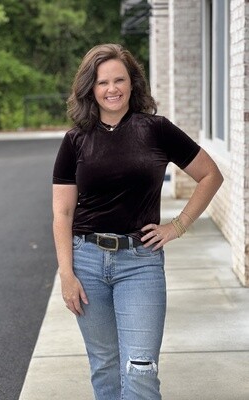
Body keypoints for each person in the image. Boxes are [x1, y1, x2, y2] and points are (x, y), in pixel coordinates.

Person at [52, 43, 223, 400]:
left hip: (140, 262)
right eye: (102, 82)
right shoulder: (75, 140)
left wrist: (178, 225)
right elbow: (63, 213)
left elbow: (210, 174)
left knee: (141, 369)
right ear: (90, 89)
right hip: (86, 262)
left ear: (133, 84)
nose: (112, 89)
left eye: (120, 80)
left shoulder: (156, 130)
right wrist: (67, 275)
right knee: (104, 366)